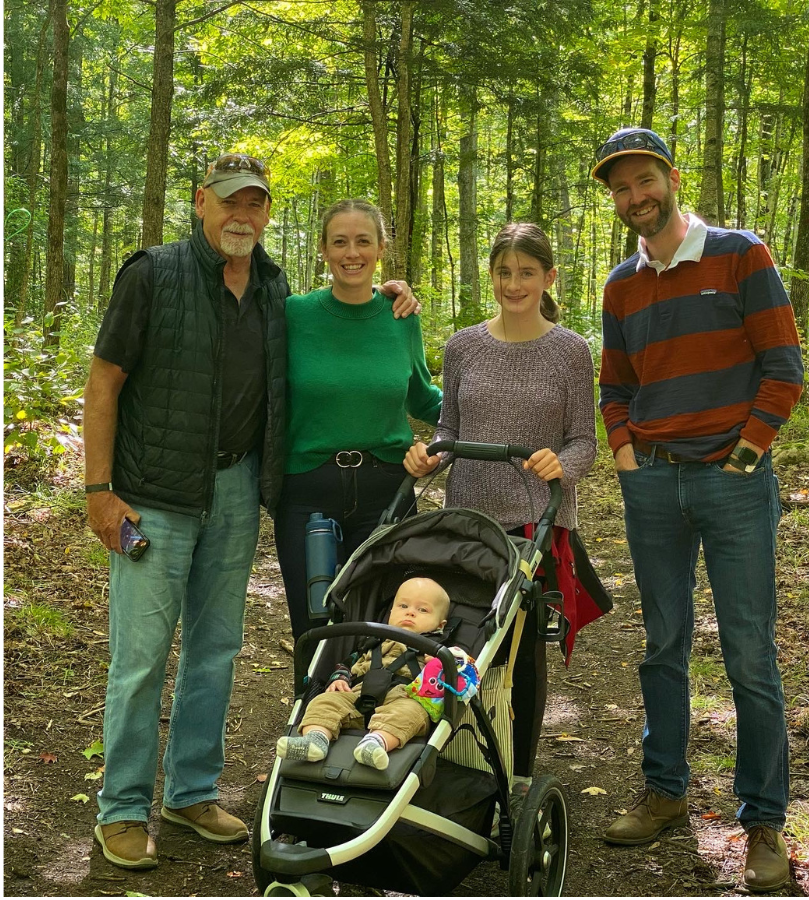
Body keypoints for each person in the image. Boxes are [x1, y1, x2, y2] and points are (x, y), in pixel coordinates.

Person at [83, 157, 417, 871]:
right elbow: (104, 380)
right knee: (140, 660)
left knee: (216, 650)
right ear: (201, 202)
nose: (242, 215)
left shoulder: (273, 290)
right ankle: (122, 807)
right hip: (154, 496)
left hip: (236, 492)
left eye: (255, 203)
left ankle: (192, 791)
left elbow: (346, 328)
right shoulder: (153, 274)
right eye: (229, 201)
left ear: (267, 214)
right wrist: (98, 490)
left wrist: (394, 295)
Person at [592, 127, 804, 892]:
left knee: (749, 653)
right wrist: (627, 458)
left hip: (734, 484)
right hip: (653, 484)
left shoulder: (740, 254)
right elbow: (615, 387)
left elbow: (783, 369)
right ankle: (665, 791)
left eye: (644, 180)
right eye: (620, 188)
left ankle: (763, 823)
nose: (634, 197)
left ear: (671, 178)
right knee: (662, 644)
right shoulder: (620, 285)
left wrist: (744, 456)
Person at [404, 222, 604, 802]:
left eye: (526, 273)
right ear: (491, 276)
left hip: (535, 524)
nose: (513, 284)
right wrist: (427, 459)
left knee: (519, 652)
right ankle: (448, 756)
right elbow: (449, 430)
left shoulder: (570, 350)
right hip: (467, 521)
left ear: (548, 278)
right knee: (456, 640)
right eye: (503, 272)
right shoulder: (464, 345)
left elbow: (583, 443)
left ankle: (515, 772)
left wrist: (559, 465)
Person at [275, 199, 443, 643]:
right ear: (324, 250)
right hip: (307, 493)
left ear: (381, 247)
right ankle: (309, 710)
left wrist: (490, 417)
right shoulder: (293, 313)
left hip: (387, 492)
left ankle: (378, 713)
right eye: (340, 242)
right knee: (313, 630)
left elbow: (423, 398)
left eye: (363, 241)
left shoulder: (400, 317)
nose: (352, 253)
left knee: (385, 627)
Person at [275, 577, 450, 770]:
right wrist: (340, 679)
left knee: (413, 714)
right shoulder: (372, 641)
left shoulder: (438, 651)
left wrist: (437, 664)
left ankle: (375, 743)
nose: (410, 612)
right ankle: (315, 740)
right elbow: (348, 664)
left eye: (422, 610)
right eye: (403, 605)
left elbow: (454, 680)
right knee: (325, 701)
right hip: (357, 694)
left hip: (404, 697)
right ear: (391, 612)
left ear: (440, 625)